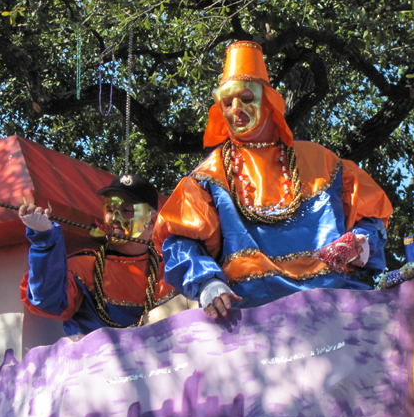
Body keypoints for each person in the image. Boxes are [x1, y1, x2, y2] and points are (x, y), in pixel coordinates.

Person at [153, 41, 393, 319]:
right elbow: (179, 242)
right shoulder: (208, 176)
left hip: (334, 307)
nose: (236, 109)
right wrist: (205, 280)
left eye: (246, 98)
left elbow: (372, 216)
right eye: (227, 103)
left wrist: (361, 242)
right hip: (250, 318)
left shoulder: (321, 161)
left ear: (267, 101)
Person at [19, 174, 176, 336]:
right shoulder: (82, 267)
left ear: (151, 222)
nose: (114, 218)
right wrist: (45, 239)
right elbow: (48, 301)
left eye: (127, 210)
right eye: (110, 210)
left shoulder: (173, 271)